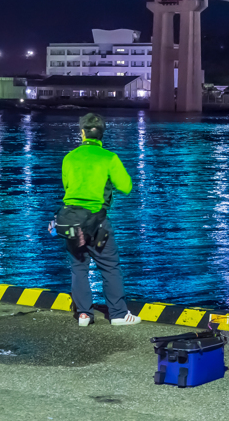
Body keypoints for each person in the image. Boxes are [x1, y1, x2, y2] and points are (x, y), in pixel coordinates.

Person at [61, 113, 140, 327]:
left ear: (82, 133)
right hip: (98, 225)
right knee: (109, 267)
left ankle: (84, 314)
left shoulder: (70, 157)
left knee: (79, 267)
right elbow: (126, 187)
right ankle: (118, 315)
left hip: (71, 222)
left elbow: (67, 186)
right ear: (102, 135)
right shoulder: (109, 158)